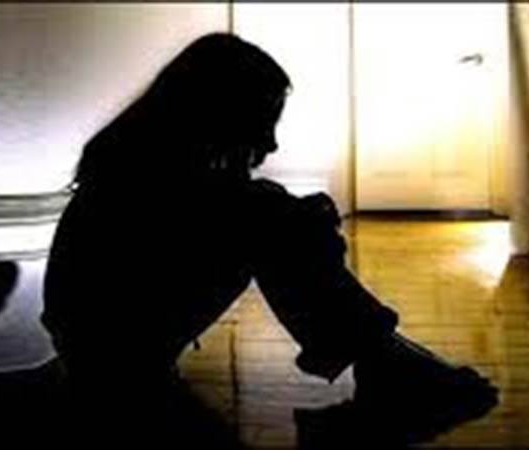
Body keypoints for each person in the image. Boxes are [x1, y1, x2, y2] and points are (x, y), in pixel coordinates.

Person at [41, 33, 498, 436]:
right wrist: (303, 224)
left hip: (101, 350)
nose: (272, 142)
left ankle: (383, 359)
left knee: (269, 213)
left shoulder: (138, 158)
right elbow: (248, 216)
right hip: (115, 359)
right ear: (224, 114)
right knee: (268, 214)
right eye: (265, 120)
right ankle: (385, 360)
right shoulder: (149, 175)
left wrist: (299, 222)